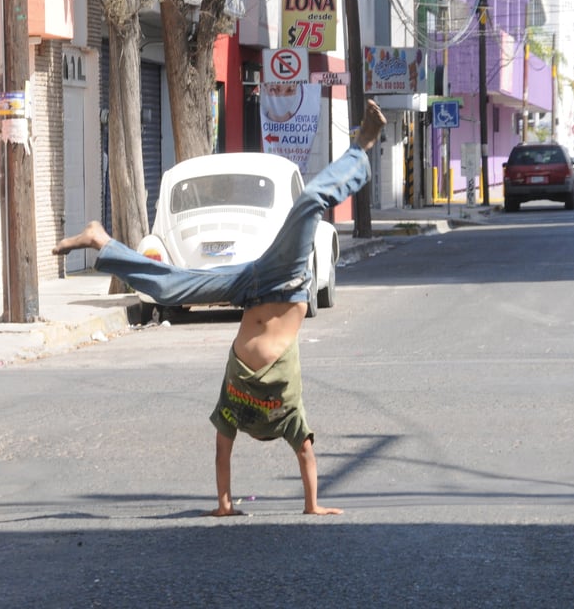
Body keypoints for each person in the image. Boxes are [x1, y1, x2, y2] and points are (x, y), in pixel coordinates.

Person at [52, 100, 387, 516]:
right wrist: (312, 506)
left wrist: (225, 505)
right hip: (287, 279)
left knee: (172, 289)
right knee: (311, 203)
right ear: (274, 414)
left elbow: (221, 450)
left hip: (249, 286)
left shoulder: (235, 403)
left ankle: (100, 241)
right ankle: (362, 145)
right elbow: (306, 455)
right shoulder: (291, 413)